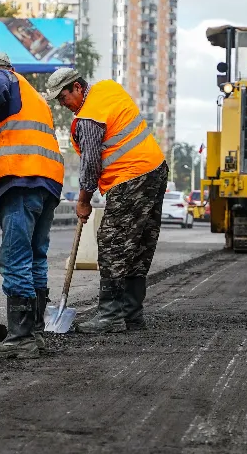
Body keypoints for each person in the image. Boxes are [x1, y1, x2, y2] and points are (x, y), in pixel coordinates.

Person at [43, 67, 169, 334]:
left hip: (130, 177)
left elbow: (90, 165)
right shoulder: (108, 89)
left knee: (113, 242)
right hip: (156, 170)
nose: (63, 105)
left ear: (77, 87)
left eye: (63, 97)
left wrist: (83, 200)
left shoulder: (88, 117)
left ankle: (111, 314)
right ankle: (132, 314)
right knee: (138, 244)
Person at [0, 51, 65, 359]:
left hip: (24, 182)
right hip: (45, 182)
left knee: (15, 258)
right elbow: (16, 157)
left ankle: (21, 338)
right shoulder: (31, 97)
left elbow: (16, 163)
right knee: (35, 257)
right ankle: (35, 331)